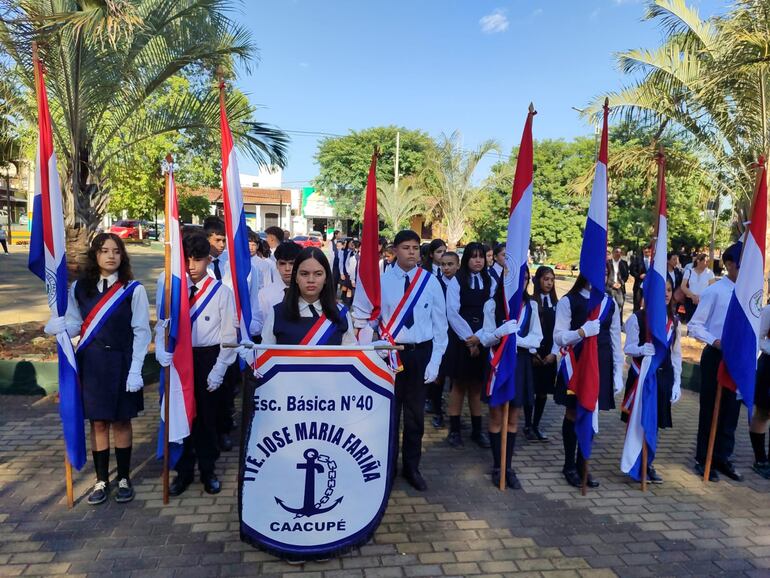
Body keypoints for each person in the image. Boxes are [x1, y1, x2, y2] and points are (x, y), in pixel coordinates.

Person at [49, 233, 151, 505]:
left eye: (116, 251)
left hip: (122, 363)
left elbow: (142, 332)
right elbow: (75, 325)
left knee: (121, 421)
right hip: (92, 365)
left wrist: (136, 370)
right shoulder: (80, 288)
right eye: (104, 250)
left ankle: (125, 478)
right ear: (95, 255)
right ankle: (101, 479)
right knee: (98, 422)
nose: (110, 256)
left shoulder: (133, 289)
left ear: (122, 256)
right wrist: (59, 328)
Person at [353, 229, 448, 491]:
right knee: (389, 415)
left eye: (416, 248)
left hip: (420, 354)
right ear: (394, 251)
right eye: (406, 248)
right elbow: (368, 322)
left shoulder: (430, 282)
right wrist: (374, 348)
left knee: (415, 417)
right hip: (390, 354)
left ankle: (412, 467)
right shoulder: (381, 282)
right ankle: (388, 467)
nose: (411, 252)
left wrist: (435, 361)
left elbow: (440, 325)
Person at [158, 232, 237, 496]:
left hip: (207, 359)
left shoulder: (221, 293)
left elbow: (229, 337)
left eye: (198, 260)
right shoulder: (173, 291)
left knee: (206, 418)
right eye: (187, 260)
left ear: (207, 260)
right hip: (180, 360)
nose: (192, 266)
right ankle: (183, 471)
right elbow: (162, 324)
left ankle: (208, 469)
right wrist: (161, 349)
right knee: (180, 416)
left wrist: (219, 370)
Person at [554, 274, 623, 488]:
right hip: (576, 366)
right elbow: (559, 337)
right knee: (573, 413)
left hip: (600, 365)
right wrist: (582, 332)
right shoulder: (569, 300)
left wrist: (618, 372)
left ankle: (583, 464)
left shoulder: (609, 303)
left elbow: (614, 340)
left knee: (591, 414)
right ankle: (569, 466)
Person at [477, 267, 542, 489]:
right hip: (497, 363)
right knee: (496, 417)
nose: (522, 282)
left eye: (526, 279)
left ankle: (508, 467)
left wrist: (516, 339)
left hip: (520, 364)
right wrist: (499, 333)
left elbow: (537, 339)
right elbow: (484, 338)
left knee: (513, 419)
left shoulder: (531, 305)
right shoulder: (492, 304)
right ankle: (497, 466)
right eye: (517, 278)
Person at [203, 217, 262, 452]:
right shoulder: (196, 266)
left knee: (228, 388)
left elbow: (253, 302)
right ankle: (209, 433)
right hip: (205, 337)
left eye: (224, 240)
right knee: (207, 391)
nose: (221, 245)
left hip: (232, 336)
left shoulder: (240, 266)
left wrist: (250, 327)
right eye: (217, 240)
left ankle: (224, 429)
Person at [688, 243, 743, 482]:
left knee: (732, 410)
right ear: (729, 264)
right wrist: (715, 341)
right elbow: (694, 325)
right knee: (711, 408)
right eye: (741, 265)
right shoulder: (715, 291)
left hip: (738, 358)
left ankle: (723, 457)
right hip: (716, 355)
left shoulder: (750, 294)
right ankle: (704, 457)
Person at [621, 276, 682, 483]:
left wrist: (677, 382)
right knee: (638, 420)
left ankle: (648, 463)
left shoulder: (674, 321)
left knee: (654, 423)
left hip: (662, 377)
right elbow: (627, 348)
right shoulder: (637, 318)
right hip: (641, 376)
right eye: (661, 290)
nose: (665, 293)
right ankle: (635, 462)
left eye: (668, 289)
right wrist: (640, 349)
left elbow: (676, 354)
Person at [445, 242, 494, 450]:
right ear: (466, 259)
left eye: (481, 256)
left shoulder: (490, 280)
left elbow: (491, 312)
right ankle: (454, 430)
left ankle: (476, 430)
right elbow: (452, 312)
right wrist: (469, 339)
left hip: (482, 338)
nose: (478, 260)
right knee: (458, 386)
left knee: (476, 387)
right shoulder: (457, 281)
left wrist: (479, 338)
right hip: (460, 339)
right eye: (473, 257)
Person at [259, 246, 356, 346]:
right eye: (304, 274)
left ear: (326, 277)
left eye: (318, 274)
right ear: (296, 277)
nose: (311, 280)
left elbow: (352, 357)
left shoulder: (341, 313)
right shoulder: (277, 313)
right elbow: (264, 356)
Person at [525, 266, 560, 441]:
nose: (549, 283)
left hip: (549, 354)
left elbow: (559, 331)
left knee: (543, 392)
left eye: (552, 280)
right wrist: (533, 353)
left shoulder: (557, 304)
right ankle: (527, 424)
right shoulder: (531, 302)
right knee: (530, 390)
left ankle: (535, 424)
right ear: (538, 280)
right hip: (533, 353)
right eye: (546, 279)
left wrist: (554, 353)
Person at [427, 250, 459, 429]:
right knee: (438, 376)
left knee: (455, 378)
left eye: (450, 264)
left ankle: (455, 414)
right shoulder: (435, 283)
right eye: (443, 264)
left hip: (456, 336)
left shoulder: (463, 284)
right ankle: (437, 411)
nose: (446, 268)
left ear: (457, 265)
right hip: (438, 333)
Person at [750, 303, 770, 479]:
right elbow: (758, 336)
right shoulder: (769, 310)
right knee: (763, 412)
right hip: (769, 365)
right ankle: (760, 459)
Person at [259, 241, 302, 319]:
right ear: (277, 265)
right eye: (282, 263)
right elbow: (259, 322)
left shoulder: (308, 293)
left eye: (292, 263)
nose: (287, 269)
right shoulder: (265, 294)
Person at [681, 253, 715, 322]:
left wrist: (701, 297)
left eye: (708, 261)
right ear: (698, 261)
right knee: (690, 322)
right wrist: (693, 296)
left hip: (703, 302)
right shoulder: (689, 271)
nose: (707, 263)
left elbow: (712, 288)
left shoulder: (710, 273)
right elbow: (683, 286)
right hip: (690, 301)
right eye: (706, 261)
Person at [605, 247, 629, 323]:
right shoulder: (608, 263)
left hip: (620, 289)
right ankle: (608, 322)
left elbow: (626, 275)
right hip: (610, 288)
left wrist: (620, 283)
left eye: (620, 252)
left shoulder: (624, 263)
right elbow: (606, 275)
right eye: (616, 252)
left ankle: (619, 323)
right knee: (609, 306)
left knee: (620, 305)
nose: (618, 254)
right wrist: (612, 284)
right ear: (613, 253)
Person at [630, 246, 652, 311]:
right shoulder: (637, 259)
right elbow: (632, 271)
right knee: (637, 304)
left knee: (648, 305)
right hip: (639, 285)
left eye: (648, 251)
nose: (647, 252)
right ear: (643, 251)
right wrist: (639, 276)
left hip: (650, 286)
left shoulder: (654, 261)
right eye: (645, 251)